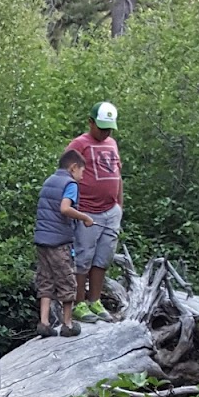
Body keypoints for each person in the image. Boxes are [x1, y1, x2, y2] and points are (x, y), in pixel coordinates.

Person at [65, 101, 123, 316]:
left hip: (110, 211)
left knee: (102, 258)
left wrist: (119, 206)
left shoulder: (112, 143)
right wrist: (70, 207)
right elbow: (65, 175)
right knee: (83, 258)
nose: (105, 131)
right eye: (101, 127)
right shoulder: (80, 144)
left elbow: (118, 175)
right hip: (87, 211)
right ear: (90, 123)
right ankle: (79, 302)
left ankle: (95, 301)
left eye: (108, 127)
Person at [33, 148, 94, 338]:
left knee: (45, 279)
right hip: (59, 241)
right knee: (67, 280)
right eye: (82, 171)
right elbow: (65, 208)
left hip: (42, 240)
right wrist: (84, 217)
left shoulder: (49, 180)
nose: (82, 177)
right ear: (73, 167)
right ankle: (67, 324)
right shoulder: (70, 184)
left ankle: (44, 322)